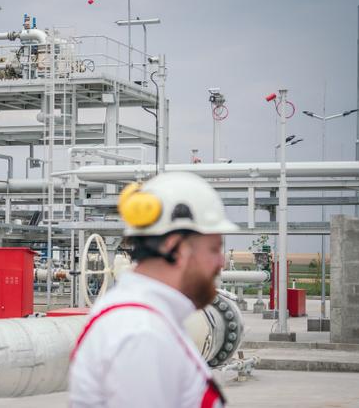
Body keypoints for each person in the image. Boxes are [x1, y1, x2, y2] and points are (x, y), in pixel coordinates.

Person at [69, 171, 238, 408]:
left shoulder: (147, 320)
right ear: (175, 248)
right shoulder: (141, 334)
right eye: (213, 249)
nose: (221, 262)